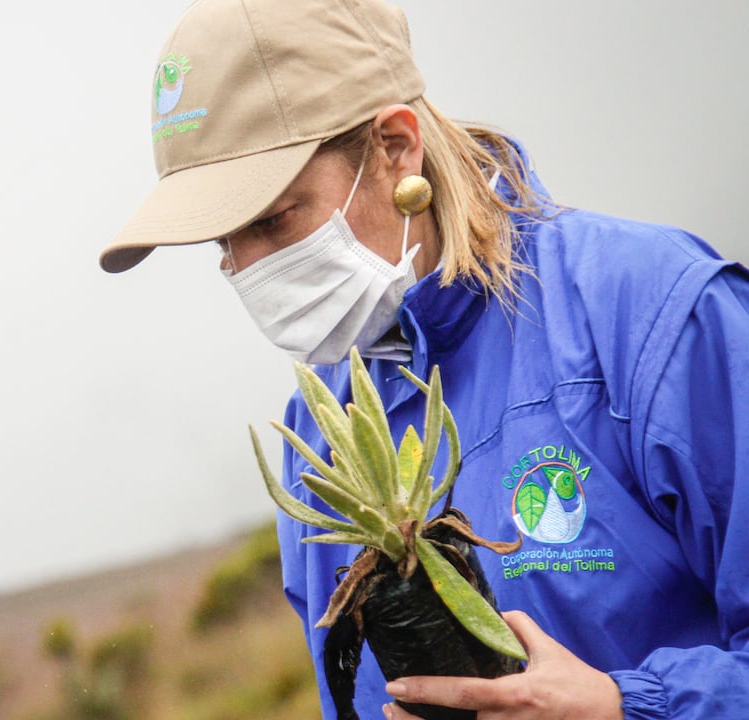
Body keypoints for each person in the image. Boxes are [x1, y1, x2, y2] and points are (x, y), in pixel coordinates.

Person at [98, 0, 749, 718]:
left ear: (395, 147)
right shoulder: (322, 435)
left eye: (273, 219)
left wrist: (623, 706)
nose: (248, 269)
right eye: (222, 242)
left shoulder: (650, 313)